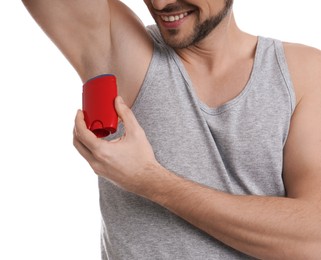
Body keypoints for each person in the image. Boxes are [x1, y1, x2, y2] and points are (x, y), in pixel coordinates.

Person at [22, 0, 321, 259]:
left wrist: (150, 180)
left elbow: (313, 239)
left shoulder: (303, 73)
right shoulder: (123, 52)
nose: (161, 4)